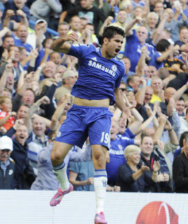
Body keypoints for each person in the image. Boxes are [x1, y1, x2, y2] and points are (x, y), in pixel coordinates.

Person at [50, 26, 127, 224]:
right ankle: (65, 186)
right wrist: (63, 38)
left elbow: (116, 91)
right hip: (77, 112)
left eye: (122, 42)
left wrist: (125, 111)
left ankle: (100, 212)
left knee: (99, 156)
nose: (120, 45)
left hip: (100, 114)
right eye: (117, 41)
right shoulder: (87, 51)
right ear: (106, 41)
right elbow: (56, 47)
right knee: (56, 155)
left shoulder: (119, 67)